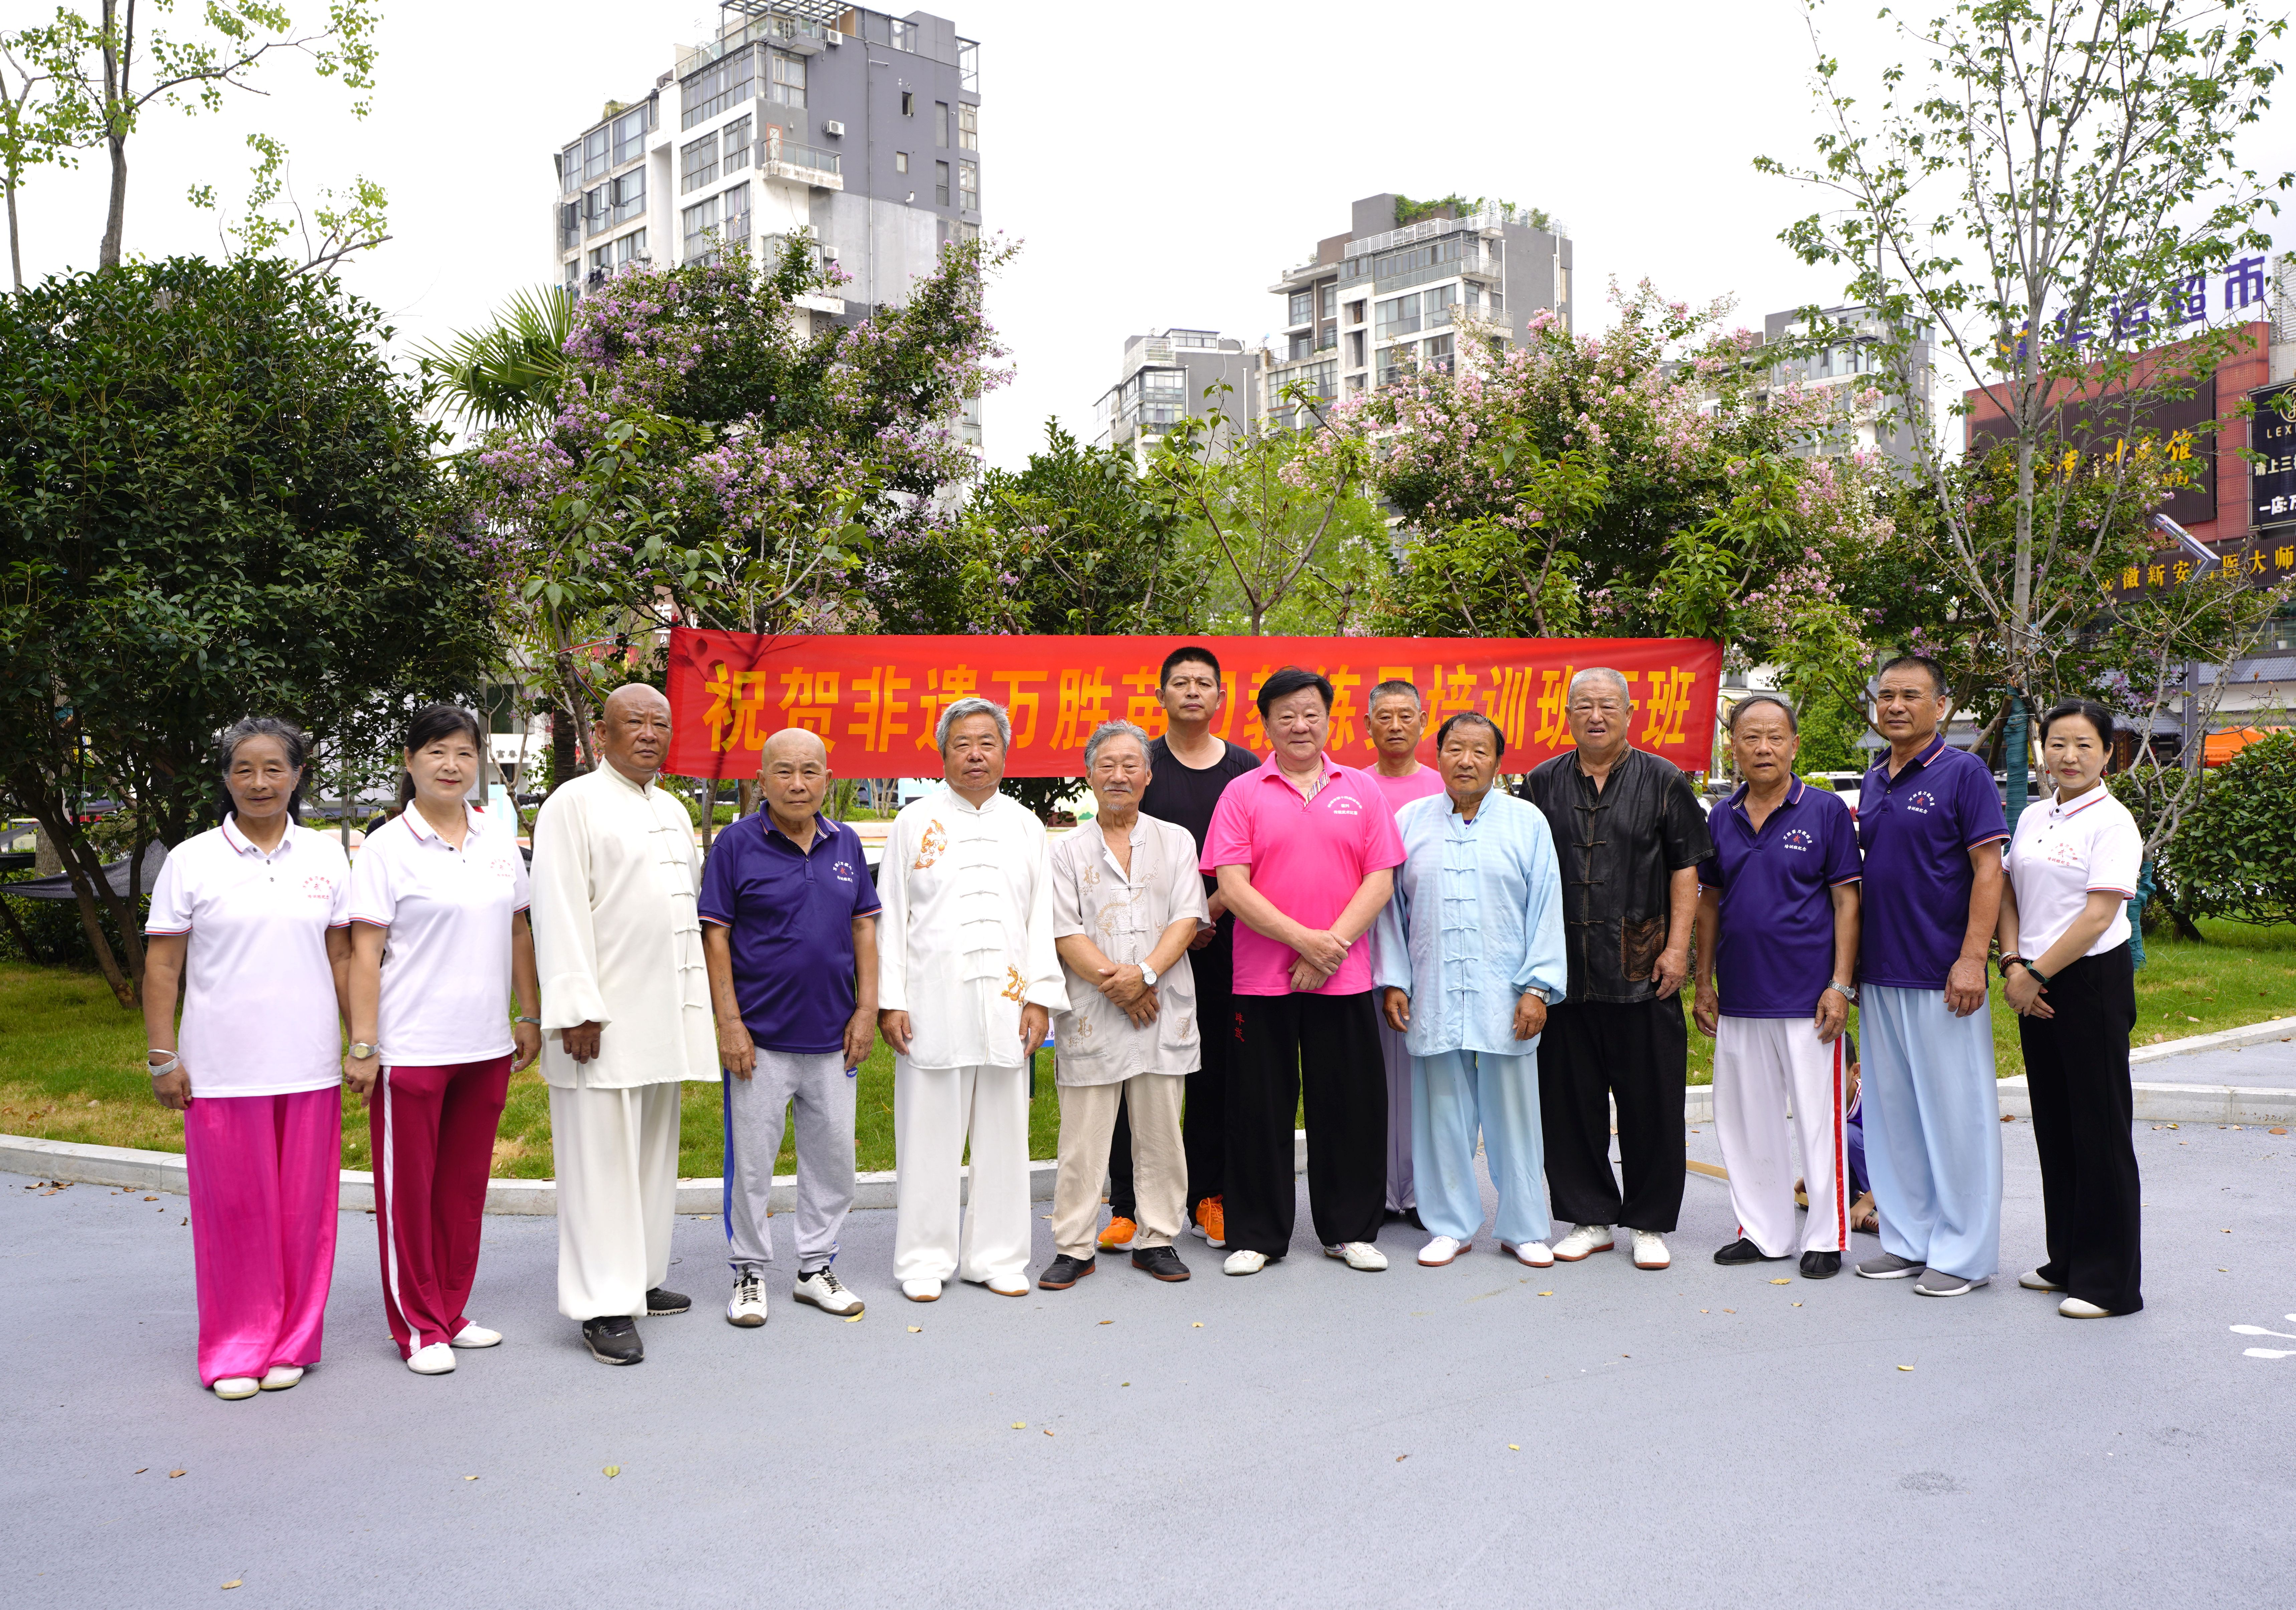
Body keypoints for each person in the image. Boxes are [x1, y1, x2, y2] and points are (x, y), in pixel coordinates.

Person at [142, 717, 352, 1400]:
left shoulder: (326, 856)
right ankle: (236, 1345)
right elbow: (163, 966)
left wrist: (362, 1042)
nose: (259, 782)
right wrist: (162, 1056)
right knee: (233, 1214)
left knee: (304, 1215)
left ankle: (293, 1341)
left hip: (310, 1066)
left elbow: (343, 957)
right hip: (221, 1071)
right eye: (244, 769)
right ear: (227, 778)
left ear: (297, 776)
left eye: (274, 768)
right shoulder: (192, 859)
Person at [344, 704, 541, 1377]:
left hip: (485, 1046)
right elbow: (364, 953)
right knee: (410, 1195)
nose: (451, 765)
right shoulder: (386, 848)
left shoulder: (496, 839)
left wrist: (529, 1015)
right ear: (410, 761)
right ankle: (417, 1325)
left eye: (463, 752)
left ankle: (452, 1312)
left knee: (462, 1192)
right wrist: (364, 1044)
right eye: (436, 752)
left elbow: (518, 930)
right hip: (413, 1049)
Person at [529, 684, 718, 1364]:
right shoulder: (572, 803)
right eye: (632, 722)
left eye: (659, 724)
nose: (647, 734)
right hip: (599, 1023)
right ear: (601, 736)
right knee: (601, 1163)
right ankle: (601, 1305)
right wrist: (577, 1009)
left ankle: (638, 1278)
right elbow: (557, 910)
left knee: (651, 1155)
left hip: (663, 1016)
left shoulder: (670, 808)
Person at [1201, 666, 1406, 1276]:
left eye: (1311, 713)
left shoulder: (1360, 790)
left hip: (1344, 978)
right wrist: (1304, 943)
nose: (1300, 725)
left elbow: (1381, 879)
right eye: (1286, 715)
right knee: (1258, 1107)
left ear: (1328, 720)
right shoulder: (1242, 793)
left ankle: (1350, 1231)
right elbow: (1232, 886)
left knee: (1348, 1105)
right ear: (1266, 724)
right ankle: (1257, 1235)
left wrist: (1330, 949)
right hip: (1260, 981)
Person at [1523, 668, 1712, 1272]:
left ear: (1630, 713)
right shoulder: (1542, 783)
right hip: (1565, 974)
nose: (1596, 716)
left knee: (1651, 1103)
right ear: (1568, 716)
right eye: (1584, 706)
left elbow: (1686, 869)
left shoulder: (1664, 779)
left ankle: (1650, 1222)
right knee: (1569, 1103)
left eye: (1608, 705)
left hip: (1643, 967)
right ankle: (1590, 1218)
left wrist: (1677, 949)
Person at [878, 697, 1066, 1302]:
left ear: (1005, 752)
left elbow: (1042, 919)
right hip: (931, 1002)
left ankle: (997, 1256)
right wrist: (891, 999)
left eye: (987, 743)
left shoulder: (1026, 826)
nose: (975, 755)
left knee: (1005, 1135)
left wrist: (1039, 997)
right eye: (962, 743)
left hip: (1009, 1004)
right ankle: (924, 1259)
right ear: (943, 753)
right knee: (927, 1135)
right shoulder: (915, 822)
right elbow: (892, 918)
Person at [1374, 712, 1567, 1268]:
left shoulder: (1527, 822)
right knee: (1441, 1114)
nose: (1466, 761)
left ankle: (1525, 1228)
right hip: (1432, 991)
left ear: (1498, 762)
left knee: (1516, 1117)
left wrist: (1537, 987)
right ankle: (1449, 1225)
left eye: (1480, 751)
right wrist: (1395, 980)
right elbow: (1390, 910)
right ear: (1437, 756)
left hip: (1507, 995)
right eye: (1456, 749)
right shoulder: (1410, 821)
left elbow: (1546, 905)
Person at [699, 728, 878, 1327]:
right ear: (761, 781)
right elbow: (716, 935)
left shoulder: (846, 842)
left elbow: (864, 927)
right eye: (783, 771)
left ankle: (815, 1268)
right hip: (760, 1040)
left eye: (809, 771)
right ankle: (749, 1272)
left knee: (832, 1162)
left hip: (834, 1038)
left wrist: (866, 1011)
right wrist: (730, 1024)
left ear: (828, 779)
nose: (797, 784)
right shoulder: (736, 845)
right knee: (752, 1166)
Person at [1852, 655, 2009, 1297]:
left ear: (1940, 706)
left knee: (1956, 1118)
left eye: (1911, 696)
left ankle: (1965, 1255)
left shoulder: (1963, 773)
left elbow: (1989, 870)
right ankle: (1908, 1239)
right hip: (1880, 972)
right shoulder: (1874, 777)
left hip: (1943, 976)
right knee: (1894, 1119)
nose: (1895, 706)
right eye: (1886, 695)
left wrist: (1973, 959)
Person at [1691, 695, 1863, 1281]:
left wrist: (1841, 985)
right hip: (1740, 995)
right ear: (1733, 746)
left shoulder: (1825, 811)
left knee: (1818, 1121)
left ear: (1794, 745)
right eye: (1750, 737)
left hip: (1809, 998)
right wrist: (1703, 982)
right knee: (1745, 1122)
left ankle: (1826, 1237)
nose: (1763, 748)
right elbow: (1709, 903)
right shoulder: (1721, 817)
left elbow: (1847, 902)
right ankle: (1763, 1233)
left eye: (1775, 737)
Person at [1039, 721, 1208, 1290]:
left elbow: (1187, 917)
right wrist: (1121, 984)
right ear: (1089, 776)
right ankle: (1073, 1245)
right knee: (1083, 1139)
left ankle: (1157, 1239)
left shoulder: (1176, 841)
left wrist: (1147, 974)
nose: (1119, 775)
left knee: (1161, 1132)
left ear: (1148, 776)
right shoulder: (1066, 852)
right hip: (1094, 1010)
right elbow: (1065, 931)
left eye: (1130, 765)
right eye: (1106, 765)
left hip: (1162, 1005)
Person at [1106, 646, 1258, 1253]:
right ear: (1161, 695)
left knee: (1215, 1070)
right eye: (1181, 682)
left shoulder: (1244, 770)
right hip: (1144, 946)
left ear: (1221, 696)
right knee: (1136, 1066)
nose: (1192, 691)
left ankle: (1208, 1195)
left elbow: (1254, 855)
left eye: (1203, 683)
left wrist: (1204, 914)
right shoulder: (1142, 764)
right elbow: (1121, 845)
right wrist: (1173, 933)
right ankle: (1127, 1202)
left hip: (1223, 941)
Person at [1996, 699, 2144, 1317]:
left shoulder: (2113, 822)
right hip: (2032, 979)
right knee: (2056, 1124)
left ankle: (2110, 1285)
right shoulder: (2035, 815)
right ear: (2043, 750)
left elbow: (2099, 916)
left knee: (2099, 1128)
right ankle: (2068, 1260)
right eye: (2058, 743)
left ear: (2108, 753)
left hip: (2088, 982)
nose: (2070, 756)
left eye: (2085, 745)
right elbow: (2008, 891)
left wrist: (2035, 974)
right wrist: (2012, 963)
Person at [1366, 678, 1446, 1223]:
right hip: (1367, 950)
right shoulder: (1352, 787)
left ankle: (1422, 1192)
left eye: (1405, 716)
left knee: (1427, 1078)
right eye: (1384, 716)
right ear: (1367, 725)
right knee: (1374, 1075)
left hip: (1431, 949)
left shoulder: (1445, 788)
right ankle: (1377, 1189)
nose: (1395, 726)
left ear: (1423, 722)